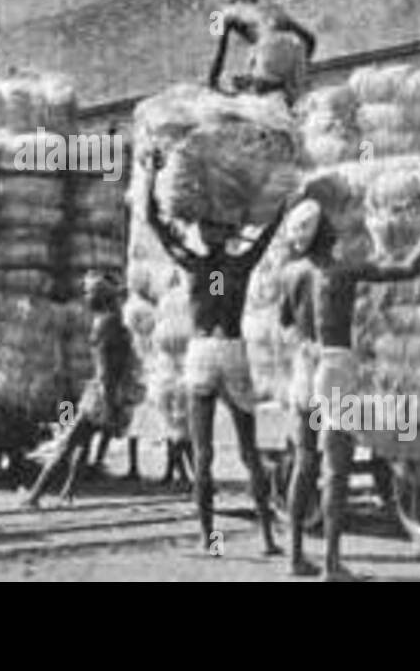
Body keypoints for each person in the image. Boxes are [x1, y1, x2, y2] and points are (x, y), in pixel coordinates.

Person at [279, 196, 420, 580]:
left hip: (304, 365)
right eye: (329, 225)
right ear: (322, 233)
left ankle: (295, 558)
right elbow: (409, 269)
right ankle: (331, 565)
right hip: (334, 366)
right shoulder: (343, 271)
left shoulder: (291, 273)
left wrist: (307, 342)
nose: (336, 229)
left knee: (304, 462)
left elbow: (285, 321)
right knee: (335, 470)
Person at [144, 148, 289, 555]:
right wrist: (280, 198)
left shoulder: (193, 265)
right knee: (249, 452)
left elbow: (155, 223)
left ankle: (210, 540)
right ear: (227, 233)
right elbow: (269, 233)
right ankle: (266, 538)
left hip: (200, 352)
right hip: (233, 349)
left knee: (203, 453)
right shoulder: (240, 267)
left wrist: (151, 176)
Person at [24, 271, 145, 507]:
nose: (86, 296)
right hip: (109, 391)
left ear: (101, 297)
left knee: (67, 443)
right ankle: (67, 492)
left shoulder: (104, 324)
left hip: (101, 393)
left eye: (90, 292)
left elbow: (106, 368)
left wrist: (108, 402)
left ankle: (35, 495)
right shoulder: (115, 320)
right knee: (81, 443)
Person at [208, 0, 317, 108]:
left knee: (259, 96)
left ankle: (266, 87)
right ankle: (285, 89)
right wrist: (304, 66)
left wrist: (212, 83)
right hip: (294, 47)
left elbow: (219, 49)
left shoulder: (217, 14)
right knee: (294, 102)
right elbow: (310, 40)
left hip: (268, 49)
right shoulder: (272, 9)